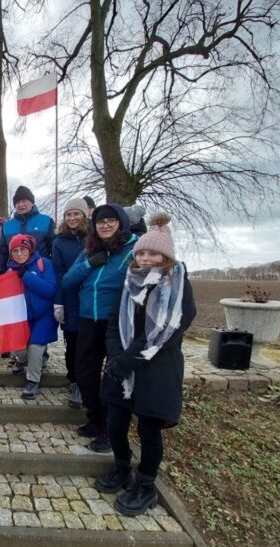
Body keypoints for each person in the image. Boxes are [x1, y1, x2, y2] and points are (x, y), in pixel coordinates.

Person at [95, 212, 196, 516]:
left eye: (152, 252)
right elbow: (114, 323)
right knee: (114, 423)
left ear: (165, 256)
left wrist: (125, 361)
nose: (145, 258)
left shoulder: (177, 288)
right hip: (121, 366)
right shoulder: (129, 283)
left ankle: (146, 486)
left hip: (156, 369)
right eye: (141, 252)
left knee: (150, 430)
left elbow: (162, 332)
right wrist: (115, 356)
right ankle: (122, 467)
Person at [61, 204, 138, 453]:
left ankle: (110, 430)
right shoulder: (89, 251)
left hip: (115, 321)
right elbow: (68, 281)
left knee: (113, 378)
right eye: (100, 221)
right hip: (87, 319)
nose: (105, 225)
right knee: (85, 374)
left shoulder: (133, 250)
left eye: (110, 220)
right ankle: (95, 420)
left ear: (121, 223)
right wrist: (90, 264)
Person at [6, 234, 57, 400]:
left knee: (35, 346)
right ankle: (24, 359)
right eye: (15, 251)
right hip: (22, 317)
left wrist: (25, 276)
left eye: (23, 249)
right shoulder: (10, 271)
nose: (19, 254)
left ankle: (32, 381)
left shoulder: (44, 264)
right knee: (19, 348)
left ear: (30, 250)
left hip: (44, 315)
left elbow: (50, 290)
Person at [51, 198, 89, 409]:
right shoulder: (59, 242)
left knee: (90, 344)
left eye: (76, 214)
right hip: (70, 299)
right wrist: (58, 302)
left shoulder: (93, 238)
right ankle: (74, 380)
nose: (72, 218)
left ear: (84, 215)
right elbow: (57, 273)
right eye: (68, 214)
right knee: (73, 343)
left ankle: (88, 382)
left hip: (91, 298)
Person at [0, 186, 55, 275]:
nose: (20, 205)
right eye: (17, 202)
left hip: (40, 274)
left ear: (32, 203)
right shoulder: (7, 226)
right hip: (14, 275)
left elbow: (53, 250)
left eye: (24, 201)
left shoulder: (46, 221)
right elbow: (2, 252)